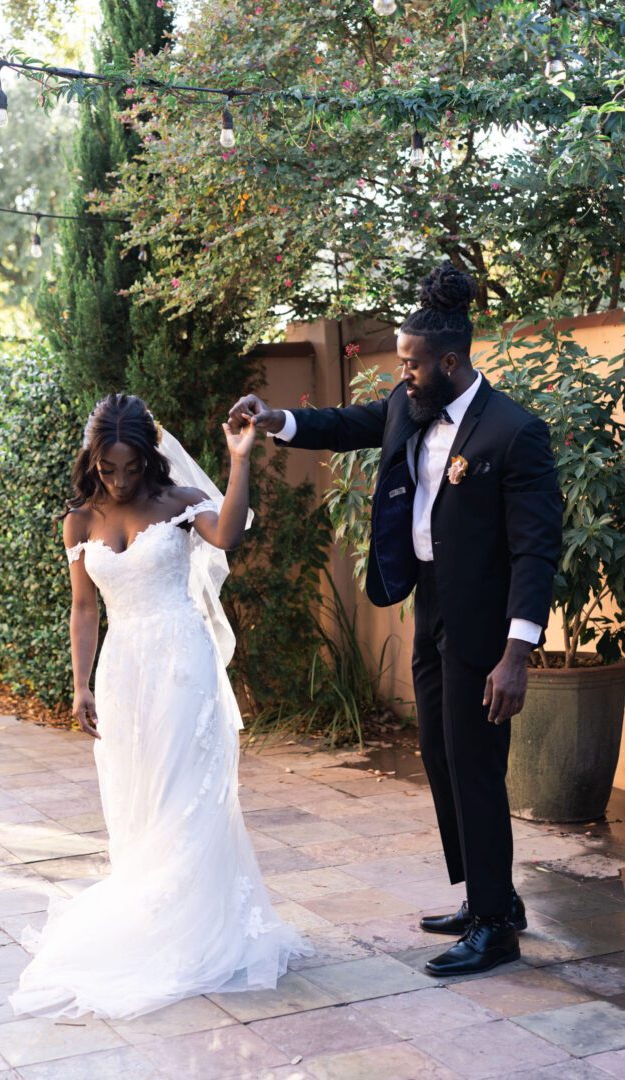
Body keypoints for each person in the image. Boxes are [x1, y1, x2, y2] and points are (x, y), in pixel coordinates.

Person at [228, 263, 563, 977]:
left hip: (486, 624)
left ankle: (496, 926)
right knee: (442, 760)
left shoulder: (513, 434)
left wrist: (517, 652)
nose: (402, 374)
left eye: (411, 364)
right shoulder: (410, 405)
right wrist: (275, 419)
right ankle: (485, 897)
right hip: (431, 604)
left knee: (475, 767)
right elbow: (344, 424)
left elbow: (536, 549)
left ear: (449, 362)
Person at [8, 392, 311, 1021]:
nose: (119, 480)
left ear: (149, 459)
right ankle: (153, 915)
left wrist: (238, 459)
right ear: (93, 463)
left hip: (181, 664)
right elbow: (85, 607)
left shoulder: (177, 505)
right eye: (107, 469)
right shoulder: (78, 521)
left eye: (130, 467)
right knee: (138, 796)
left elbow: (228, 533)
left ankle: (195, 930)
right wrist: (81, 683)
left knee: (187, 792)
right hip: (123, 674)